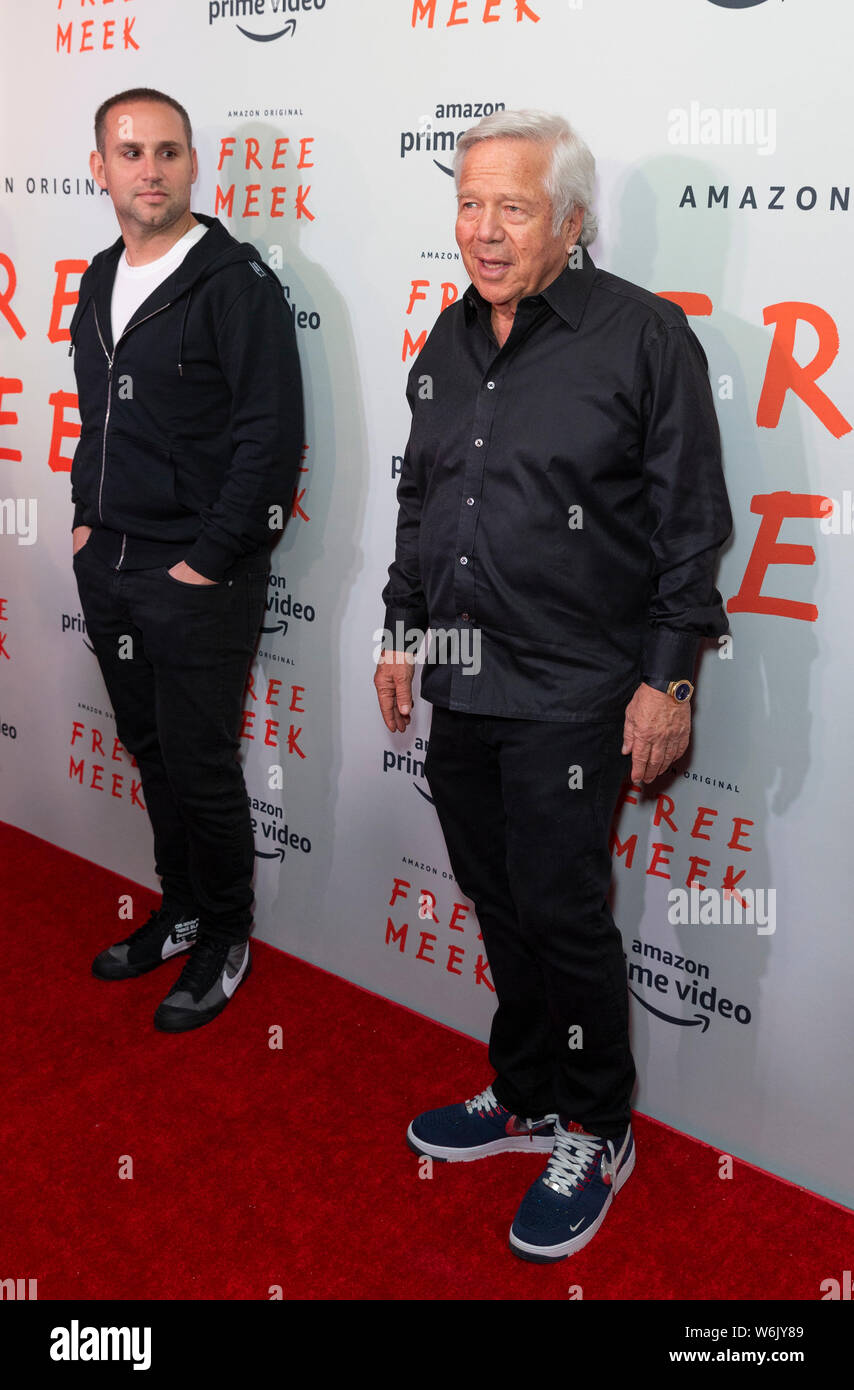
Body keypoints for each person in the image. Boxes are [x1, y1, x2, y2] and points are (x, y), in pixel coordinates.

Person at [375, 109, 731, 1261]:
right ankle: (523, 1088)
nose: (481, 231)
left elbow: (688, 531)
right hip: (460, 677)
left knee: (564, 916)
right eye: (469, 204)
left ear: (570, 222)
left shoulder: (641, 339)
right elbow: (422, 501)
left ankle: (595, 1123)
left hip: (577, 686)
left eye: (511, 207)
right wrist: (403, 634)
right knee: (495, 897)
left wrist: (666, 681)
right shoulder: (448, 336)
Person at [70, 88, 303, 1032]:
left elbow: (270, 440)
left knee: (201, 763)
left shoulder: (236, 282)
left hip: (195, 578)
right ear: (101, 168)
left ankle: (226, 937)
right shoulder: (94, 275)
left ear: (194, 164)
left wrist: (207, 561)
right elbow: (101, 415)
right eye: (130, 153)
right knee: (151, 751)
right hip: (110, 564)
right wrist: (87, 524)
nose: (150, 170)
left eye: (168, 152)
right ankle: (183, 907)